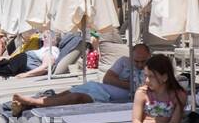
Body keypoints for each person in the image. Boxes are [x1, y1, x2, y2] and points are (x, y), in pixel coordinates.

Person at [9, 43, 149, 112]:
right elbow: (107, 79)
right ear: (132, 56)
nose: (140, 64)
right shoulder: (124, 61)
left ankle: (30, 102)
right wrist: (131, 85)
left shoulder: (152, 69)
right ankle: (30, 103)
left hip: (107, 97)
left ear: (149, 57)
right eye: (137, 61)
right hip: (98, 86)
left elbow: (146, 90)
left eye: (143, 61)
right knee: (66, 94)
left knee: (77, 98)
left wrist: (124, 83)